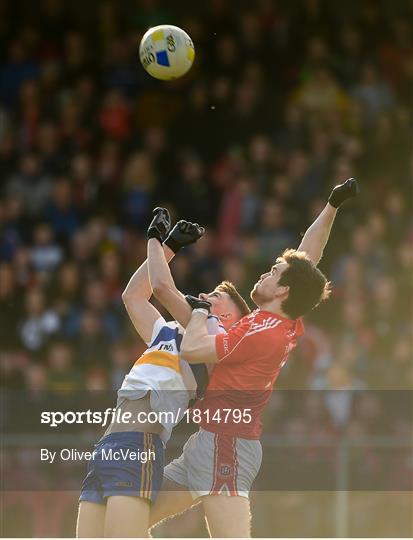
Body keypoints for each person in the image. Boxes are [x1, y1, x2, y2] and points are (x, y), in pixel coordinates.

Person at [148, 178, 359, 537]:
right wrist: (332, 206)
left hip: (226, 442)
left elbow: (192, 349)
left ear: (283, 290)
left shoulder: (260, 333)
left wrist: (199, 312)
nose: (266, 272)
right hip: (210, 440)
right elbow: (310, 256)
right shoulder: (282, 321)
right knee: (135, 514)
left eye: (273, 272)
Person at [76, 209, 249, 537]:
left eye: (217, 297)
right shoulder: (170, 330)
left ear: (230, 319)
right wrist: (167, 248)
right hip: (107, 443)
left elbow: (162, 286)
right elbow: (133, 295)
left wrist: (158, 242)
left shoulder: (214, 343)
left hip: (139, 443)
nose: (205, 296)